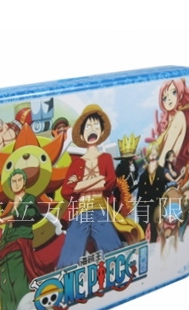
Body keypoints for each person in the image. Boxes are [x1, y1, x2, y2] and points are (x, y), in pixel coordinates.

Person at [57, 105, 142, 268]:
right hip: (81, 212)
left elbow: (108, 182)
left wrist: (80, 185)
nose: (92, 129)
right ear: (82, 133)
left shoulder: (105, 158)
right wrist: (96, 181)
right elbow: (66, 190)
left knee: (113, 252)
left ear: (102, 131)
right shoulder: (76, 164)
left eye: (96, 125)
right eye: (88, 126)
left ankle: (119, 272)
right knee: (69, 257)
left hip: (100, 210)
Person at [0, 169, 45, 310]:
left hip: (18, 249)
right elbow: (7, 228)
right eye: (13, 181)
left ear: (24, 182)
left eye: (19, 180)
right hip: (5, 252)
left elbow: (30, 214)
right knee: (6, 289)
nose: (16, 184)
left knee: (19, 284)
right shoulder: (11, 205)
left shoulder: (29, 199)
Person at [147, 79, 189, 170]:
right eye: (164, 98)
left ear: (180, 94)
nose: (169, 99)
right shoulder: (173, 119)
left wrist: (158, 171)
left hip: (166, 168)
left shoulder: (179, 117)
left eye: (173, 92)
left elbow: (167, 150)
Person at [137, 142, 166, 243]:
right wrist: (140, 209)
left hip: (157, 206)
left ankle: (153, 248)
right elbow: (140, 194)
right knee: (141, 229)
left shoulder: (162, 171)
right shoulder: (143, 175)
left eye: (155, 152)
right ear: (148, 155)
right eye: (151, 152)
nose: (153, 154)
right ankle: (140, 247)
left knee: (154, 229)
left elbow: (164, 191)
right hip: (144, 206)